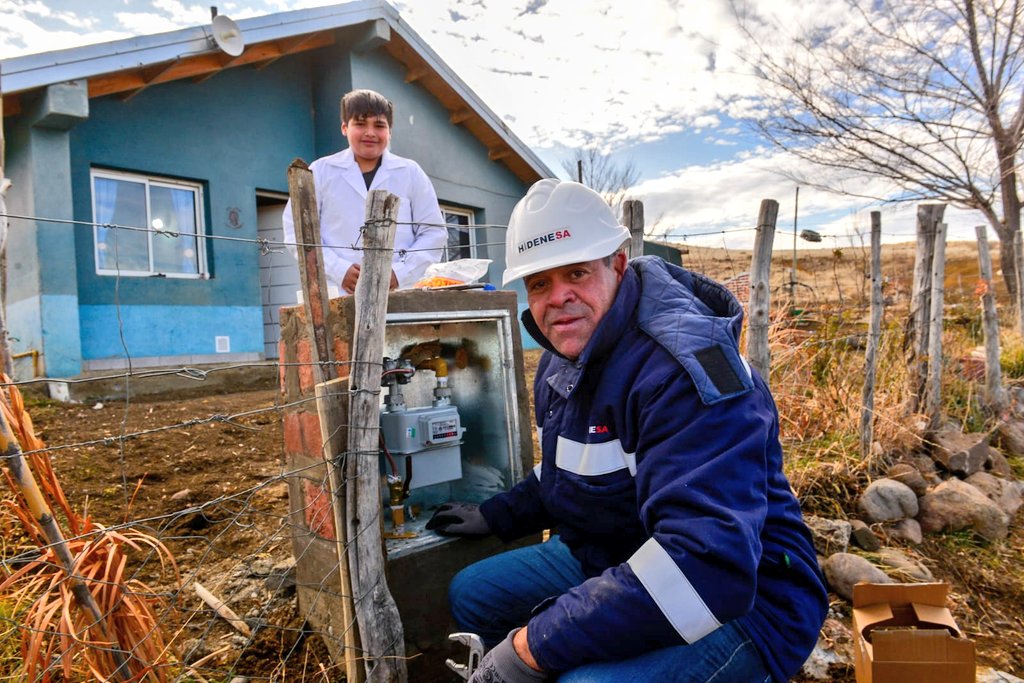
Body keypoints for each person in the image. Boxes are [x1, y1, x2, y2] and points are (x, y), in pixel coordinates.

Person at [427, 179, 828, 682]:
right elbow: (571, 469)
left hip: (746, 600)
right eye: (539, 283)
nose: (559, 299)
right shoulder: (562, 361)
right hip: (618, 555)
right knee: (473, 593)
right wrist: (497, 514)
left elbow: (706, 570)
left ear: (617, 264)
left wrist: (532, 648)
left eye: (576, 272)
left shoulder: (687, 372)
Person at [282, 89, 446, 294]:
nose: (370, 133)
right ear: (344, 127)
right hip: (334, 294)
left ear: (390, 131)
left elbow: (433, 232)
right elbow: (296, 231)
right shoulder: (320, 171)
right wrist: (338, 269)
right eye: (360, 124)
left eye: (379, 125)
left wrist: (400, 273)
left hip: (398, 294)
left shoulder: (410, 172)